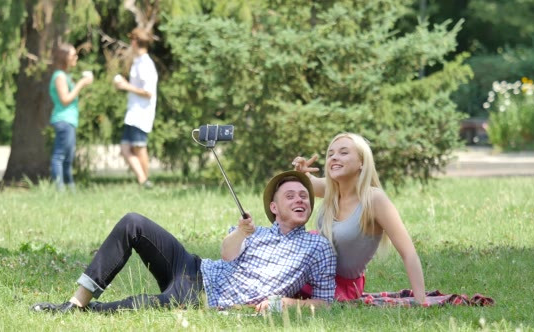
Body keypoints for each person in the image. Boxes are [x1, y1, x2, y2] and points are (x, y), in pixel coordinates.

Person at [31, 171, 336, 313]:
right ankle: (76, 302)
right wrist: (242, 232)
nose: (300, 200)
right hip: (193, 266)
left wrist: (286, 304)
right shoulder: (254, 230)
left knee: (144, 305)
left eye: (304, 197)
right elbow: (227, 254)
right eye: (290, 196)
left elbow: (326, 303)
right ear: (274, 207)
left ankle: (83, 314)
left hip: (205, 297)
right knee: (133, 222)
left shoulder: (318, 247)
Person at [292, 133, 426, 304]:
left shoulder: (374, 200)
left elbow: (408, 253)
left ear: (362, 162)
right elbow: (307, 182)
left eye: (343, 152)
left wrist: (421, 301)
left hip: (338, 287)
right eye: (330, 154)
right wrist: (301, 172)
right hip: (309, 271)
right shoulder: (332, 189)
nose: (334, 158)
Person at [114, 27, 158, 188]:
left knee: (139, 148)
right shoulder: (138, 62)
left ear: (134, 41)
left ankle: (145, 181)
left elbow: (148, 92)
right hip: (132, 113)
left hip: (141, 113)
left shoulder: (146, 64)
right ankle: (143, 180)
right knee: (125, 148)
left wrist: (126, 86)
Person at [49, 43, 93, 191]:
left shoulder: (65, 76)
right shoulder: (60, 76)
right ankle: (60, 190)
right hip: (63, 120)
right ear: (64, 57)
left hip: (69, 121)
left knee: (68, 159)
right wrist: (81, 83)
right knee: (59, 157)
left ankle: (70, 190)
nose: (76, 57)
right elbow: (65, 99)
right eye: (73, 55)